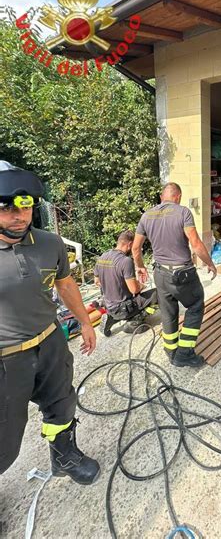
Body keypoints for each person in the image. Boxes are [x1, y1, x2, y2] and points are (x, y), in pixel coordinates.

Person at [0, 161, 99, 484]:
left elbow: (65, 284)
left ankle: (64, 458)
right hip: (6, 358)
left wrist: (85, 322)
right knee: (5, 435)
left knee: (61, 404)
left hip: (50, 341)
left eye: (25, 204)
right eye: (6, 207)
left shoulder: (49, 243)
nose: (19, 215)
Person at [132, 182, 217, 368]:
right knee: (195, 305)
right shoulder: (182, 212)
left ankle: (171, 351)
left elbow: (135, 248)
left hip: (160, 273)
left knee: (168, 313)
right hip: (182, 274)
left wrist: (139, 267)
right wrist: (210, 263)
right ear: (178, 197)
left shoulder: (147, 215)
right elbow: (195, 243)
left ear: (162, 197)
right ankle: (184, 354)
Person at [94, 230, 158, 335]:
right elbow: (134, 289)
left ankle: (111, 318)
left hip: (109, 305)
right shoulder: (126, 261)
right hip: (123, 308)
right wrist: (140, 285)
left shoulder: (102, 257)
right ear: (130, 244)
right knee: (159, 294)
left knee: (126, 301)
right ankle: (133, 322)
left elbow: (97, 282)